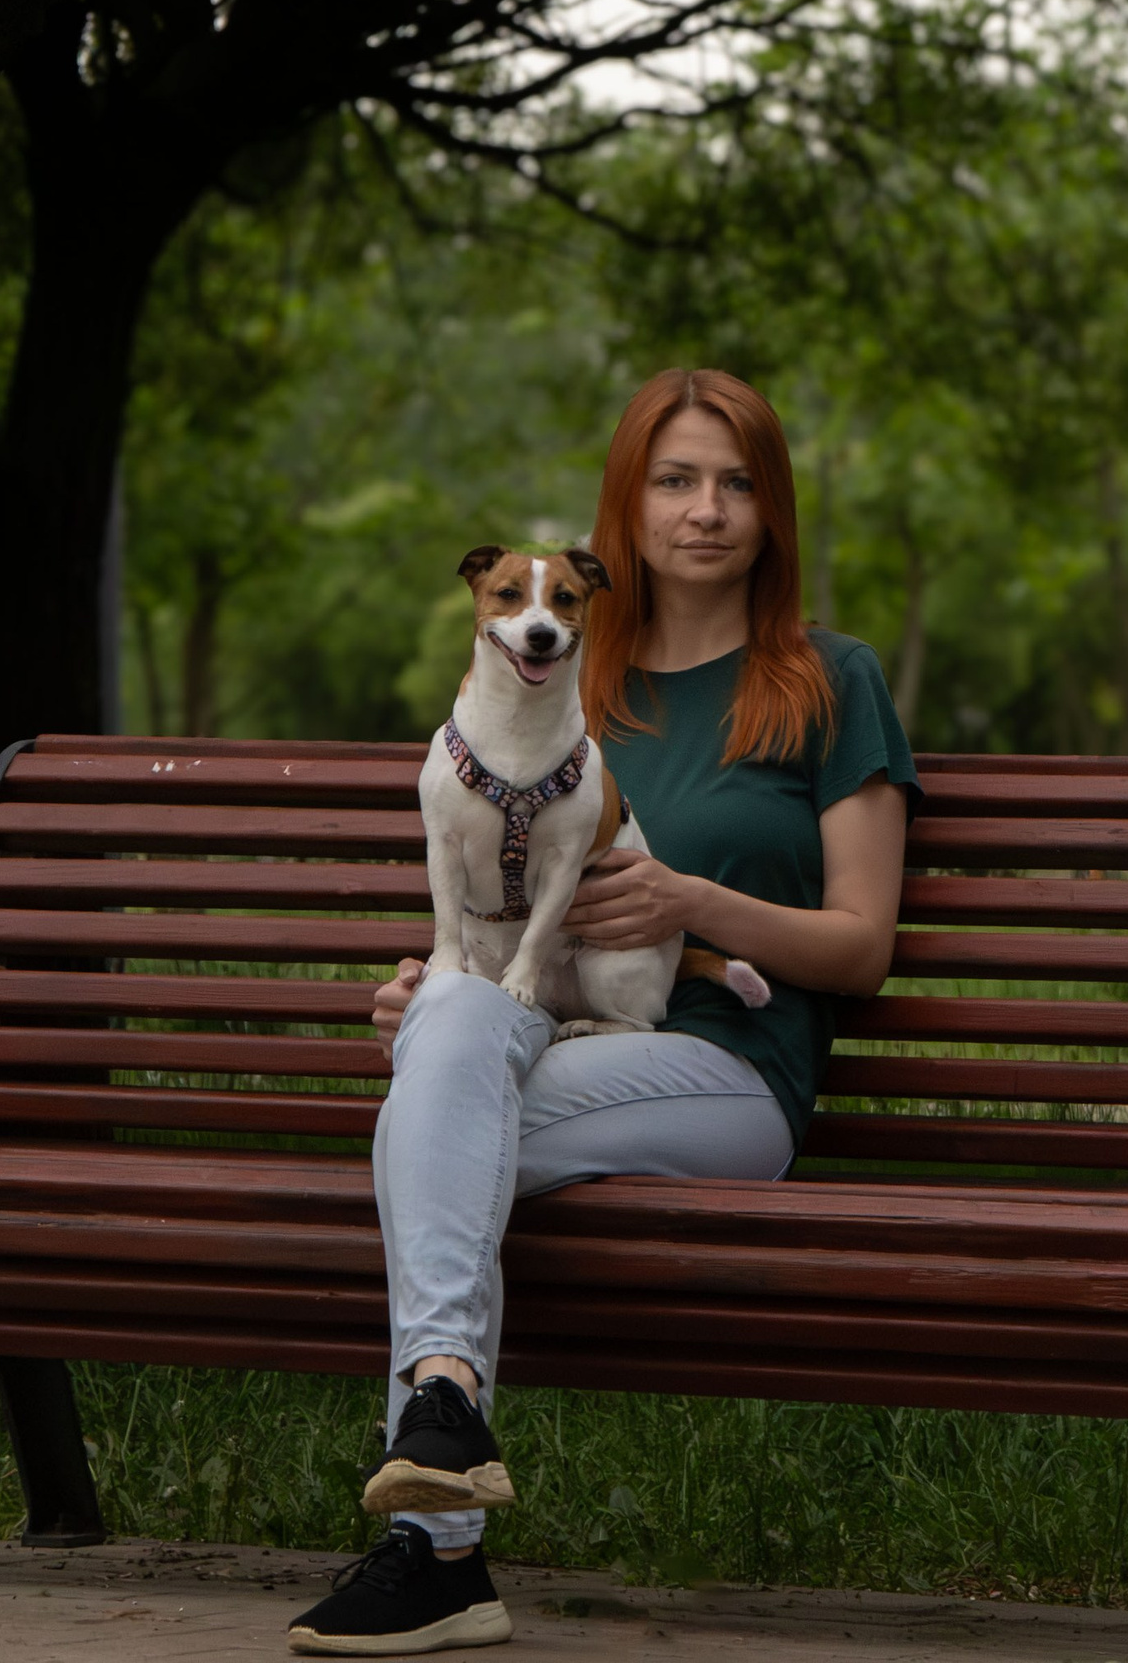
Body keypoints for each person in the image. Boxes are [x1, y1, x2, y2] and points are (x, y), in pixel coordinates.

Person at [289, 369, 916, 1655]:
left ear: (774, 507)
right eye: (675, 480)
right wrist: (435, 979)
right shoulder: (557, 672)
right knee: (451, 1036)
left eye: (737, 482)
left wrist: (697, 898)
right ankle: (446, 1423)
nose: (706, 510)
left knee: (440, 1110)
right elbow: (482, 881)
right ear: (623, 508)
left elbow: (861, 948)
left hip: (727, 1072)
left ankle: (435, 1551)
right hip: (543, 1030)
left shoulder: (827, 680)